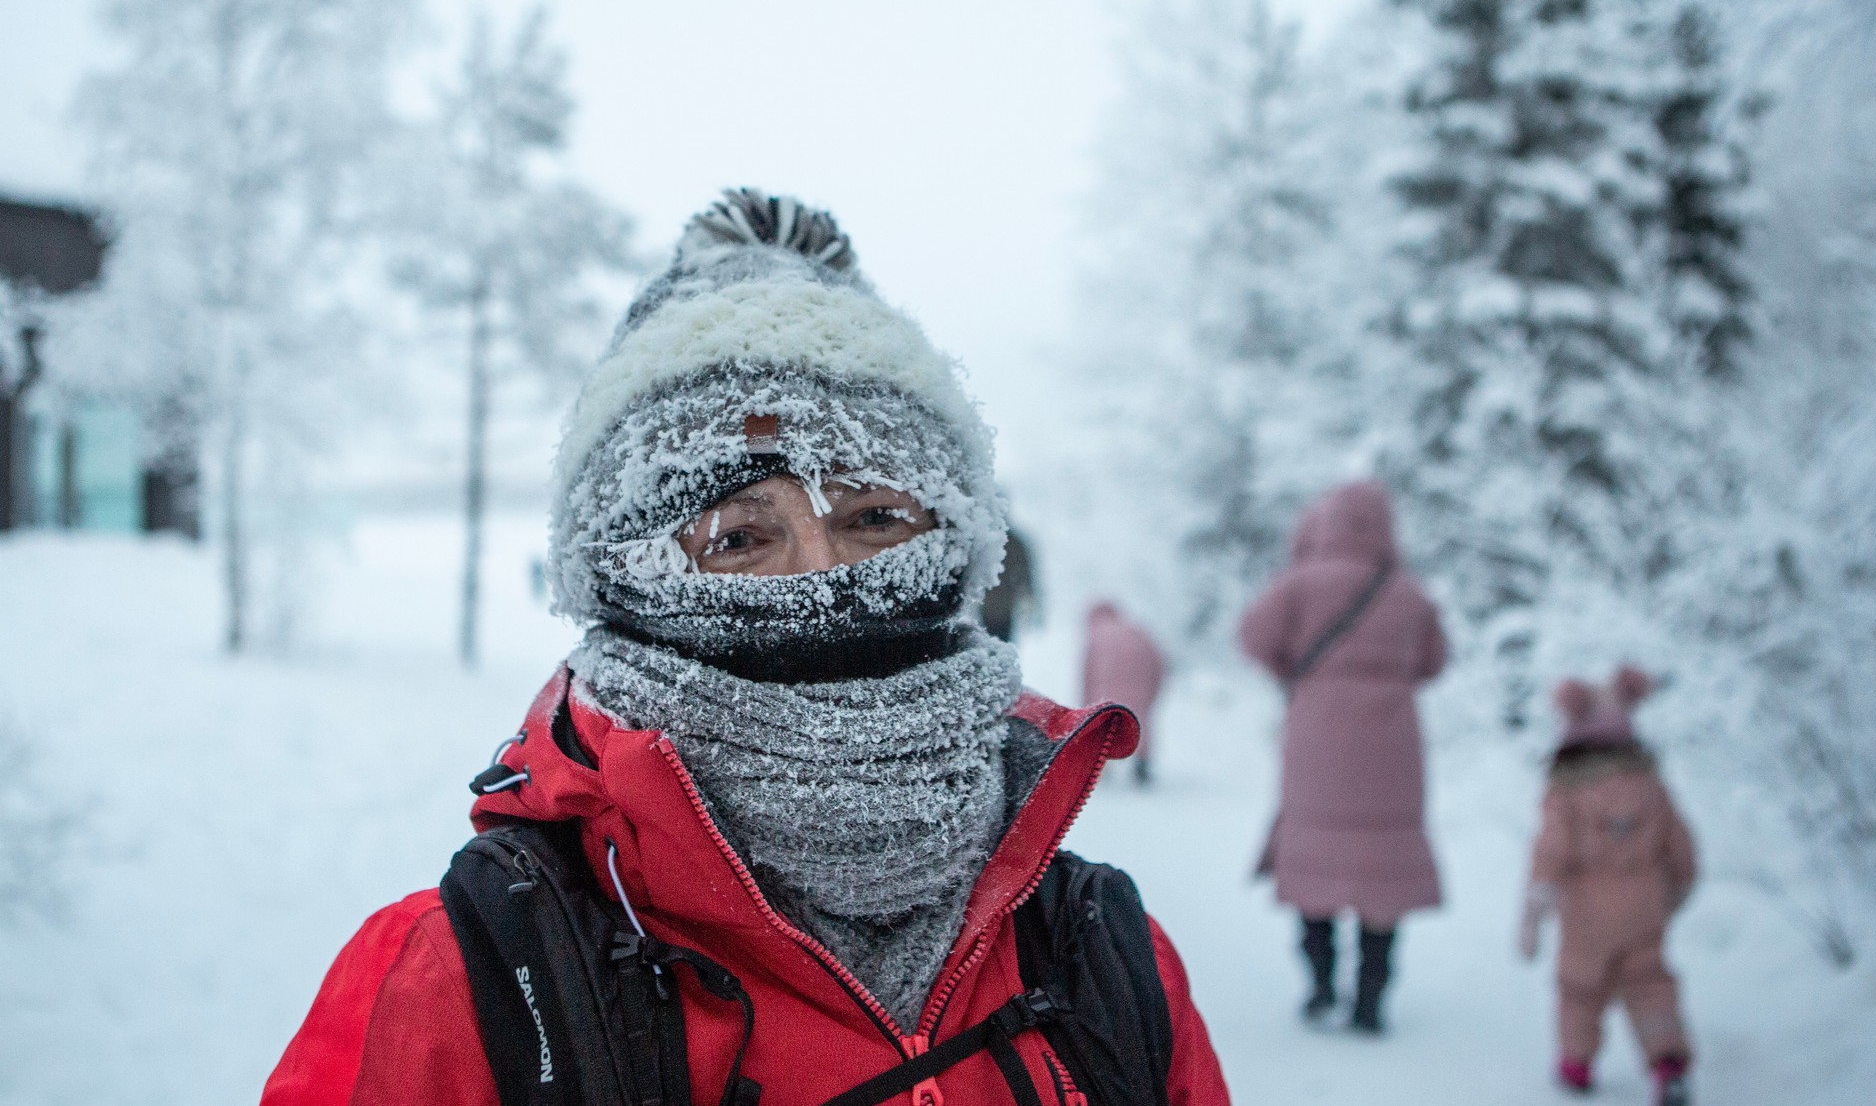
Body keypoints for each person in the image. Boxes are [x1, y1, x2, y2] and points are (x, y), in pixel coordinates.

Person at [261, 190, 1229, 1106]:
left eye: (875, 516)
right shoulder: (463, 982)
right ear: (626, 580)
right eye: (737, 538)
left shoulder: (1102, 957)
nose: (821, 574)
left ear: (957, 542)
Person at [1238, 480, 1447, 1033]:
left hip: (1316, 736)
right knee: (1384, 872)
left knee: (1314, 860)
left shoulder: (1300, 583)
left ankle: (1321, 984)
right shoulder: (1408, 591)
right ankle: (1371, 998)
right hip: (1393, 748)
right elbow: (1435, 660)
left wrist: (1295, 668)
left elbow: (1252, 636)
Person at [1519, 666, 1697, 1106]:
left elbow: (1551, 851)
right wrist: (1675, 892)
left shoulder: (1566, 792)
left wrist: (1535, 908)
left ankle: (1576, 1065)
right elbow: (1681, 848)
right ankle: (1667, 1061)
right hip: (1645, 905)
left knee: (1580, 988)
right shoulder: (1651, 787)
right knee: (1650, 982)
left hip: (1585, 912)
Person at [1081, 601, 1167, 786]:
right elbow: (1157, 659)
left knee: (1105, 719)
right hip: (1140, 678)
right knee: (1140, 717)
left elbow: (1088, 671)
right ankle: (1142, 763)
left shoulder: (1097, 634)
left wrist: (1085, 704)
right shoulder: (1136, 630)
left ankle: (1101, 762)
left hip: (1107, 680)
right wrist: (1153, 692)